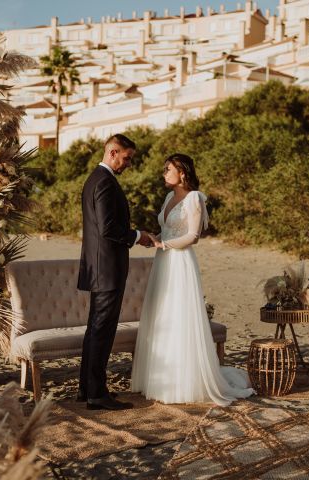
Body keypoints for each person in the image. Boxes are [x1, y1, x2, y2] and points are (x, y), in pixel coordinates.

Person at [131, 153, 254, 406]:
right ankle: (160, 380)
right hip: (163, 261)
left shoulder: (194, 198)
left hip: (180, 262)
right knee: (162, 315)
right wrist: (150, 238)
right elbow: (165, 230)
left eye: (168, 169)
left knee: (179, 317)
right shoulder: (167, 197)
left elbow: (193, 236)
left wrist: (163, 243)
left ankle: (183, 383)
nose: (164, 173)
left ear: (182, 172)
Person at [77, 133, 153, 411]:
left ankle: (86, 389)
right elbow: (108, 229)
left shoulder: (95, 180)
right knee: (102, 331)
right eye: (127, 157)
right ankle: (96, 394)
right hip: (107, 268)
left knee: (95, 330)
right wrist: (137, 236)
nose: (129, 163)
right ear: (113, 152)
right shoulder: (105, 183)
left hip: (99, 267)